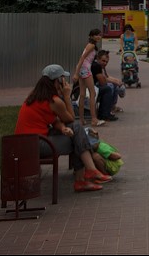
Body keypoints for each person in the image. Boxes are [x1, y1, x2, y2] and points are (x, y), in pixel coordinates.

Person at [15, 64, 113, 193]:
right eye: (63, 79)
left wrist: (62, 128)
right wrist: (67, 96)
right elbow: (71, 118)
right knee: (77, 135)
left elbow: (54, 121)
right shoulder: (54, 101)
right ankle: (84, 177)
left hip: (24, 142)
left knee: (76, 132)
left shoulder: (35, 96)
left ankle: (88, 174)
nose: (65, 82)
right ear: (57, 81)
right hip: (36, 144)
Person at [73, 29, 103, 127]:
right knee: (92, 93)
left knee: (82, 94)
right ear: (91, 36)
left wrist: (77, 72)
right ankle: (94, 119)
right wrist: (76, 74)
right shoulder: (92, 45)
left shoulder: (89, 45)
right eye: (96, 35)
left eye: (100, 35)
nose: (99, 37)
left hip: (82, 68)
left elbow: (82, 58)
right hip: (85, 69)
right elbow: (82, 58)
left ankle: (82, 119)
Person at [90, 50, 121, 122]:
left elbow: (105, 78)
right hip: (87, 90)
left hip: (91, 87)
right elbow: (103, 82)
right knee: (108, 89)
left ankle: (108, 110)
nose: (105, 63)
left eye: (106, 62)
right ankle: (104, 114)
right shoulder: (96, 66)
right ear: (97, 58)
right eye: (103, 61)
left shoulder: (96, 65)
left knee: (111, 86)